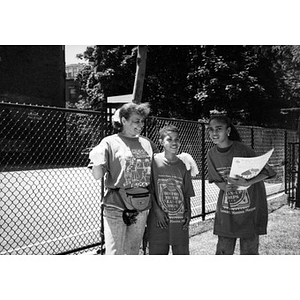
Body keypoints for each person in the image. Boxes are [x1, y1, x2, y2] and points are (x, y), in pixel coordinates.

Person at [89, 102, 158, 255]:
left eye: (142, 121)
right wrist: (96, 161)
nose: (140, 125)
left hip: (140, 204)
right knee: (115, 253)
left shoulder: (147, 143)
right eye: (136, 121)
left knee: (132, 252)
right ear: (124, 121)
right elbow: (97, 176)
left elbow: (159, 168)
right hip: (116, 205)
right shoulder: (109, 142)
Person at [207, 115, 276, 255]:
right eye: (211, 129)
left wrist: (248, 182)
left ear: (228, 131)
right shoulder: (211, 154)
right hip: (228, 210)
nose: (214, 133)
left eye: (218, 129)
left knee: (249, 251)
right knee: (223, 250)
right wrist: (224, 187)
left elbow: (267, 172)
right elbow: (216, 179)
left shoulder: (243, 149)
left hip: (249, 210)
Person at [147, 125, 198, 255]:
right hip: (159, 220)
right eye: (169, 139)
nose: (174, 143)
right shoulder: (153, 161)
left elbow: (186, 192)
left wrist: (188, 212)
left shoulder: (183, 164)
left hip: (179, 220)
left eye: (177, 139)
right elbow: (150, 189)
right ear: (161, 142)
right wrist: (157, 210)